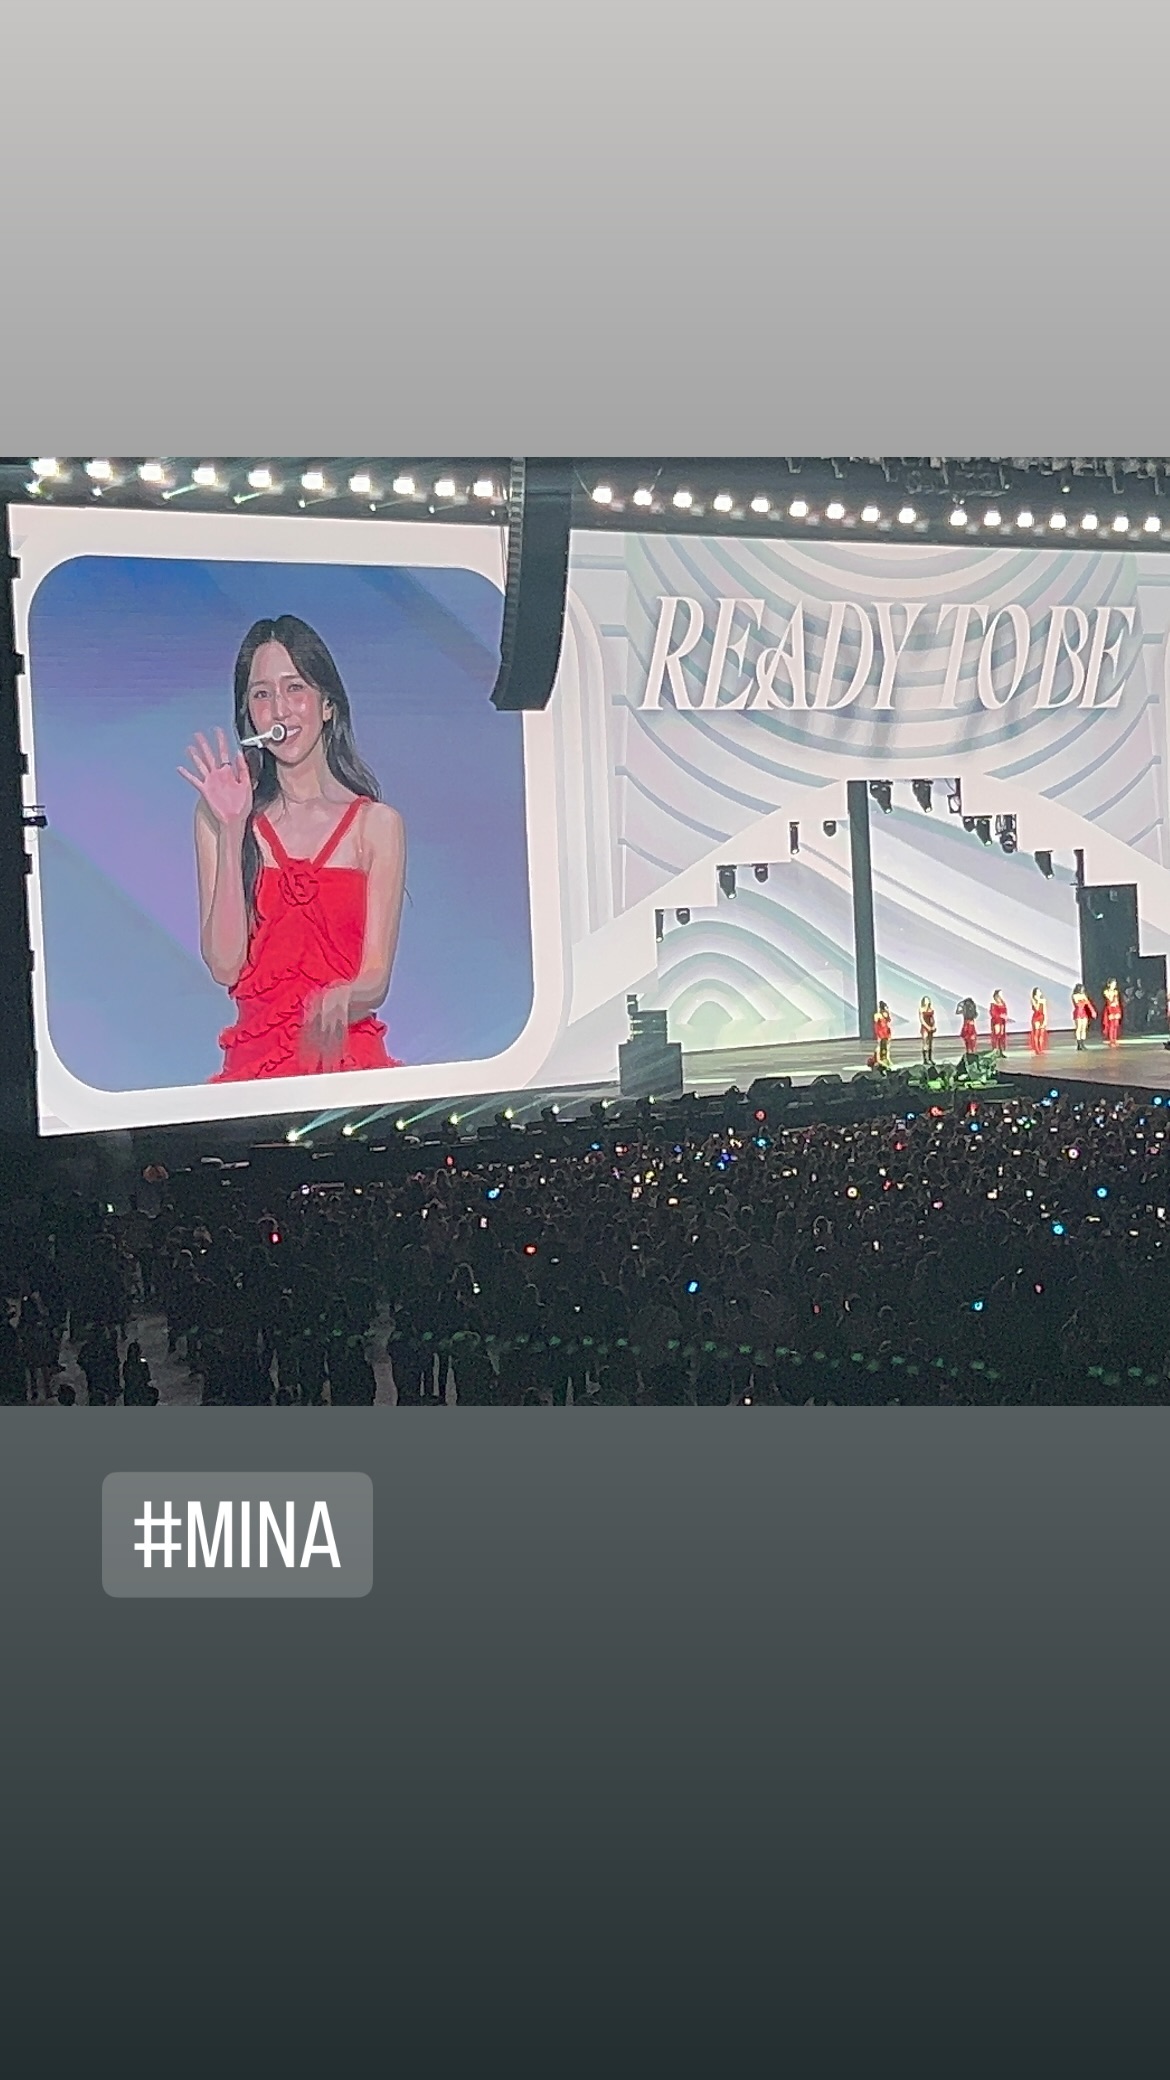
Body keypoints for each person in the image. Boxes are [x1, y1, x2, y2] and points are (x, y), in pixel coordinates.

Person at [180, 616, 407, 1081]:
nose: (280, 710)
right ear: (249, 715)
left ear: (327, 705)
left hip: (349, 1070)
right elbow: (225, 966)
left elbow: (375, 978)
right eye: (261, 695)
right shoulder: (218, 816)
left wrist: (344, 998)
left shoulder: (377, 825)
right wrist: (232, 828)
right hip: (254, 1075)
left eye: (295, 688)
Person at [1072, 983, 1096, 1051]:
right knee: (1079, 1028)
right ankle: (1079, 1044)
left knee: (1084, 1028)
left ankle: (1082, 1043)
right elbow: (1078, 1004)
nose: (1083, 990)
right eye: (1081, 988)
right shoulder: (1075, 995)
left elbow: (1088, 1004)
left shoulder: (1083, 995)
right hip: (1078, 1012)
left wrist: (1093, 1012)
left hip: (1084, 1012)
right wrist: (1084, 1001)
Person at [1102, 979, 1122, 1047]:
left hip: (1115, 1008)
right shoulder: (1106, 992)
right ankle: (1111, 1041)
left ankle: (1115, 1040)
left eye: (1115, 984)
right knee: (1111, 1026)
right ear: (1109, 984)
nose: (1114, 985)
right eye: (1113, 984)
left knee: (1116, 1025)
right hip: (1109, 1009)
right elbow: (1109, 1000)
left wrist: (1118, 1011)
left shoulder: (1116, 992)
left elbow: (1117, 1002)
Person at [873, 1001, 892, 1071]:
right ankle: (877, 1059)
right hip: (880, 1031)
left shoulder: (886, 1014)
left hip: (886, 1030)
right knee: (880, 1045)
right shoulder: (877, 1015)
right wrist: (877, 1034)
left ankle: (887, 1058)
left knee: (887, 1046)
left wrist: (888, 1012)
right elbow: (876, 1025)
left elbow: (889, 1021)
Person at [1029, 988, 1048, 1055]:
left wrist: (1045, 1019)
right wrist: (1039, 1001)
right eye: (1038, 991)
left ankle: (1041, 1048)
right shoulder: (1033, 1000)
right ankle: (1036, 1049)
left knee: (1041, 1034)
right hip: (1036, 1017)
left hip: (1042, 1017)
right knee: (1036, 1033)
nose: (1040, 992)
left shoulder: (1043, 1000)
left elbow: (1044, 1010)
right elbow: (1036, 1008)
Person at [989, 991, 1008, 1056]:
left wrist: (1004, 1016)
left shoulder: (1003, 1003)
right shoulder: (993, 1004)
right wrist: (1000, 1015)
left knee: (1001, 1035)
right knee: (997, 1035)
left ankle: (1000, 1051)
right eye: (1000, 994)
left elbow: (1005, 1011)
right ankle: (996, 1050)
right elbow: (993, 1013)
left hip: (1002, 1021)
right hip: (996, 1021)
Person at [919, 997, 936, 1065]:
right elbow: (921, 1020)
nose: (927, 1002)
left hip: (930, 1026)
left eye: (928, 1000)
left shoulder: (931, 1009)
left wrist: (933, 1025)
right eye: (926, 1000)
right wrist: (927, 1027)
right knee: (925, 1042)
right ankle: (925, 1060)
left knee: (930, 1043)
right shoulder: (921, 1009)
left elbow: (933, 1018)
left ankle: (930, 1058)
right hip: (925, 1027)